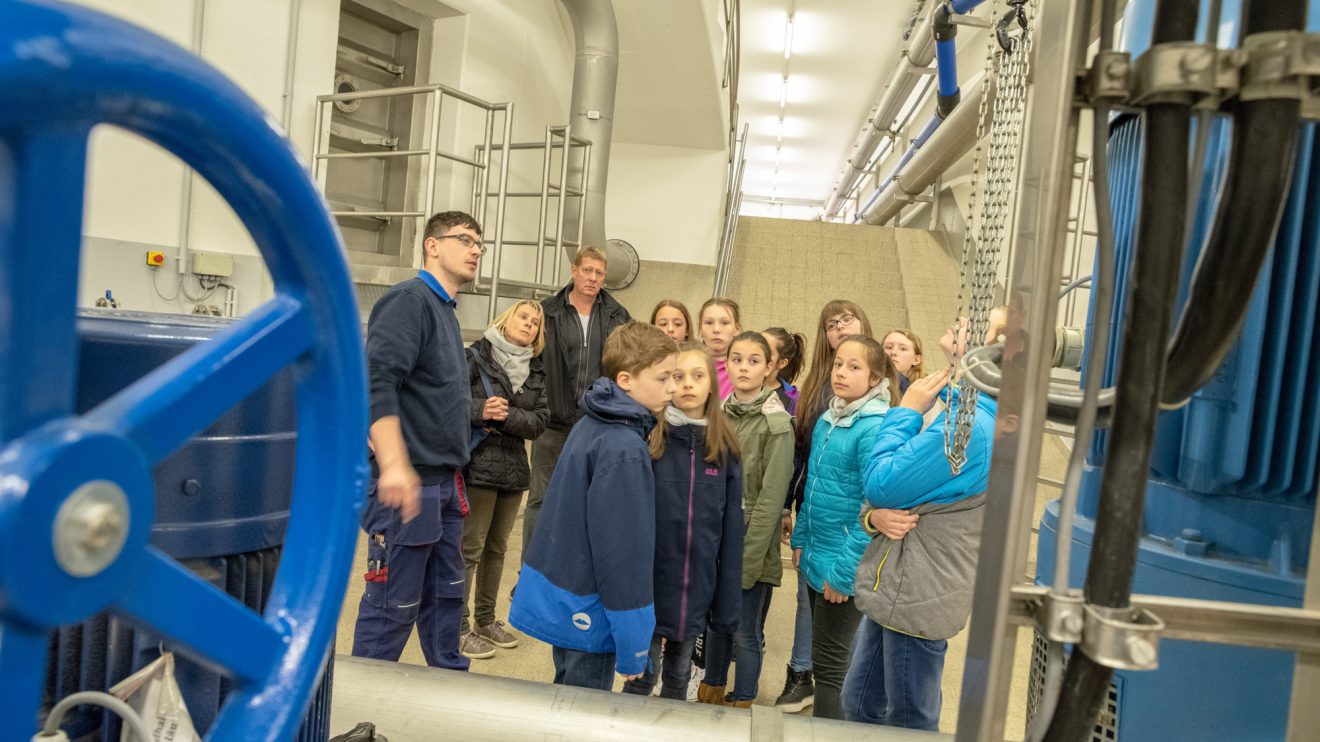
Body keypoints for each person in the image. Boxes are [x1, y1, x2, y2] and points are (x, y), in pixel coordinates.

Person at [843, 323, 998, 731]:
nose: (960, 322)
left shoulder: (969, 431)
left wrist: (907, 410)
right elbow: (880, 501)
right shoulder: (965, 412)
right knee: (858, 704)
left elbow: (881, 484)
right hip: (896, 590)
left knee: (910, 720)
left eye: (977, 322)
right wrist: (872, 517)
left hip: (918, 595)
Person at [509, 321, 678, 690]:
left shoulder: (593, 420)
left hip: (569, 598)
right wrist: (634, 644)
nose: (673, 388)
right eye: (663, 378)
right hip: (591, 609)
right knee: (580, 713)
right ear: (626, 379)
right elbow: (622, 553)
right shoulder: (624, 448)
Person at [352, 210, 486, 671]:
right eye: (465, 240)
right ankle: (358, 711)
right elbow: (377, 382)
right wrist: (392, 464)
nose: (475, 250)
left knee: (446, 601)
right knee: (394, 608)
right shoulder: (410, 300)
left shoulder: (445, 311)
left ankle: (447, 679)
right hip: (410, 485)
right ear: (432, 245)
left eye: (479, 244)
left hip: (445, 483)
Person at [621, 343, 743, 700]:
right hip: (651, 583)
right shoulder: (649, 439)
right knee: (642, 675)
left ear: (711, 385)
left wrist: (726, 601)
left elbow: (731, 532)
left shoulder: (725, 449)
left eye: (697, 375)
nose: (687, 384)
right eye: (678, 376)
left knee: (679, 674)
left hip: (695, 588)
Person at [790, 335, 900, 720]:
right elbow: (814, 486)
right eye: (838, 364)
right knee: (824, 662)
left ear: (875, 379)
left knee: (833, 670)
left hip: (843, 566)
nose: (841, 372)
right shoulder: (829, 417)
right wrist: (801, 538)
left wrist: (844, 572)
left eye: (854, 367)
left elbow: (873, 507)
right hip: (817, 556)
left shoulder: (875, 427)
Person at [775, 300, 874, 712]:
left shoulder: (875, 418)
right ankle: (801, 677)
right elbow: (806, 469)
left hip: (848, 544)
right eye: (831, 325)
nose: (842, 373)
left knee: (837, 660)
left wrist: (845, 564)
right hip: (815, 532)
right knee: (815, 629)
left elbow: (874, 499)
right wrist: (795, 525)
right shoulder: (823, 401)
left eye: (846, 319)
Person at [699, 331, 794, 708]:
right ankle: (712, 691)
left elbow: (771, 501)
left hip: (751, 543)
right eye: (737, 359)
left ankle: (743, 701)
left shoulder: (777, 424)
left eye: (754, 361)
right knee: (716, 624)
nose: (744, 367)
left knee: (745, 633)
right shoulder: (719, 413)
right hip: (716, 540)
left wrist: (750, 560)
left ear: (769, 368)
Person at [459, 301, 550, 659]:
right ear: (506, 318)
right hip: (479, 464)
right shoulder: (475, 356)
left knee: (498, 549)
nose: (529, 324)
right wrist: (480, 411)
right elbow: (452, 403)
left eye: (535, 322)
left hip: (513, 468)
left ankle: (485, 619)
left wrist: (506, 415)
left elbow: (540, 420)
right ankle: (458, 625)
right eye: (523, 316)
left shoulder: (536, 370)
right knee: (470, 549)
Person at [527, 246, 631, 558]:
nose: (593, 278)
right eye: (587, 270)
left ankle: (572, 572)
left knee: (589, 500)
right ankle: (530, 572)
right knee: (541, 500)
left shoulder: (617, 316)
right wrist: (541, 401)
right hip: (552, 423)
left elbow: (625, 366)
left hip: (596, 424)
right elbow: (532, 360)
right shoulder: (548, 311)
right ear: (574, 271)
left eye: (599, 273)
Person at [698, 298, 742, 401]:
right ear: (700, 329)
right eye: (709, 323)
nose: (716, 329)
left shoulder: (744, 370)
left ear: (737, 329)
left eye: (725, 323)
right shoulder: (686, 363)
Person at [763, 327, 807, 415]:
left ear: (781, 363)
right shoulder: (737, 383)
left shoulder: (794, 400)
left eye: (767, 351)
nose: (758, 353)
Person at [881, 329, 925, 395]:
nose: (893, 352)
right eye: (889, 347)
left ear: (916, 360)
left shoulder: (925, 394)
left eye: (903, 349)